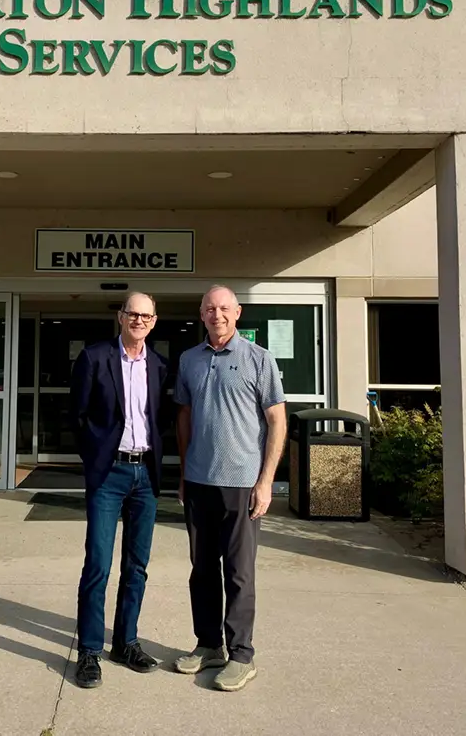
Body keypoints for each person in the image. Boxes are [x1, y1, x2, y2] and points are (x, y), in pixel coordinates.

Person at [172, 285, 287, 692]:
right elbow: (184, 418)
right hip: (200, 482)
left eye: (224, 308)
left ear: (237, 313)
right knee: (202, 570)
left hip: (242, 484)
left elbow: (276, 420)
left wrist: (266, 481)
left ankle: (242, 654)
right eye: (209, 309)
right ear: (201, 315)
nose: (216, 314)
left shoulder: (259, 359)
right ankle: (209, 646)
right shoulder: (189, 360)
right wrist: (184, 474)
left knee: (239, 573)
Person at [69, 291, 172, 689]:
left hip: (145, 475)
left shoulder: (160, 365)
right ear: (120, 316)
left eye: (146, 315)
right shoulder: (95, 357)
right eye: (133, 313)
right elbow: (76, 415)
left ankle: (126, 642)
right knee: (98, 565)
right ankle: (90, 650)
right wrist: (95, 459)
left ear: (154, 320)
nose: (139, 320)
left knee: (137, 566)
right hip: (108, 475)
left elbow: (158, 418)